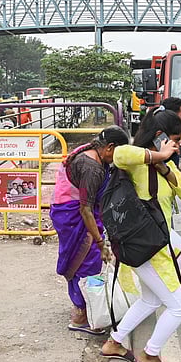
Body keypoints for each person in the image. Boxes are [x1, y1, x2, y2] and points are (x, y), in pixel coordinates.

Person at [100, 108, 181, 362]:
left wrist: (165, 166)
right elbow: (119, 154)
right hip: (147, 246)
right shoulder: (134, 159)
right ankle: (150, 353)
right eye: (175, 139)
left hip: (153, 245)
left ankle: (114, 342)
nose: (178, 144)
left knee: (150, 300)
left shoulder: (167, 165)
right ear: (159, 136)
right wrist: (158, 155)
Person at [51, 126, 130, 335]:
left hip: (73, 213)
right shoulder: (92, 168)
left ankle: (83, 308)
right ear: (109, 148)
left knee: (85, 261)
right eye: (118, 153)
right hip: (74, 216)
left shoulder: (92, 151)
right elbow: (85, 209)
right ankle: (80, 315)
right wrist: (100, 242)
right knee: (86, 261)